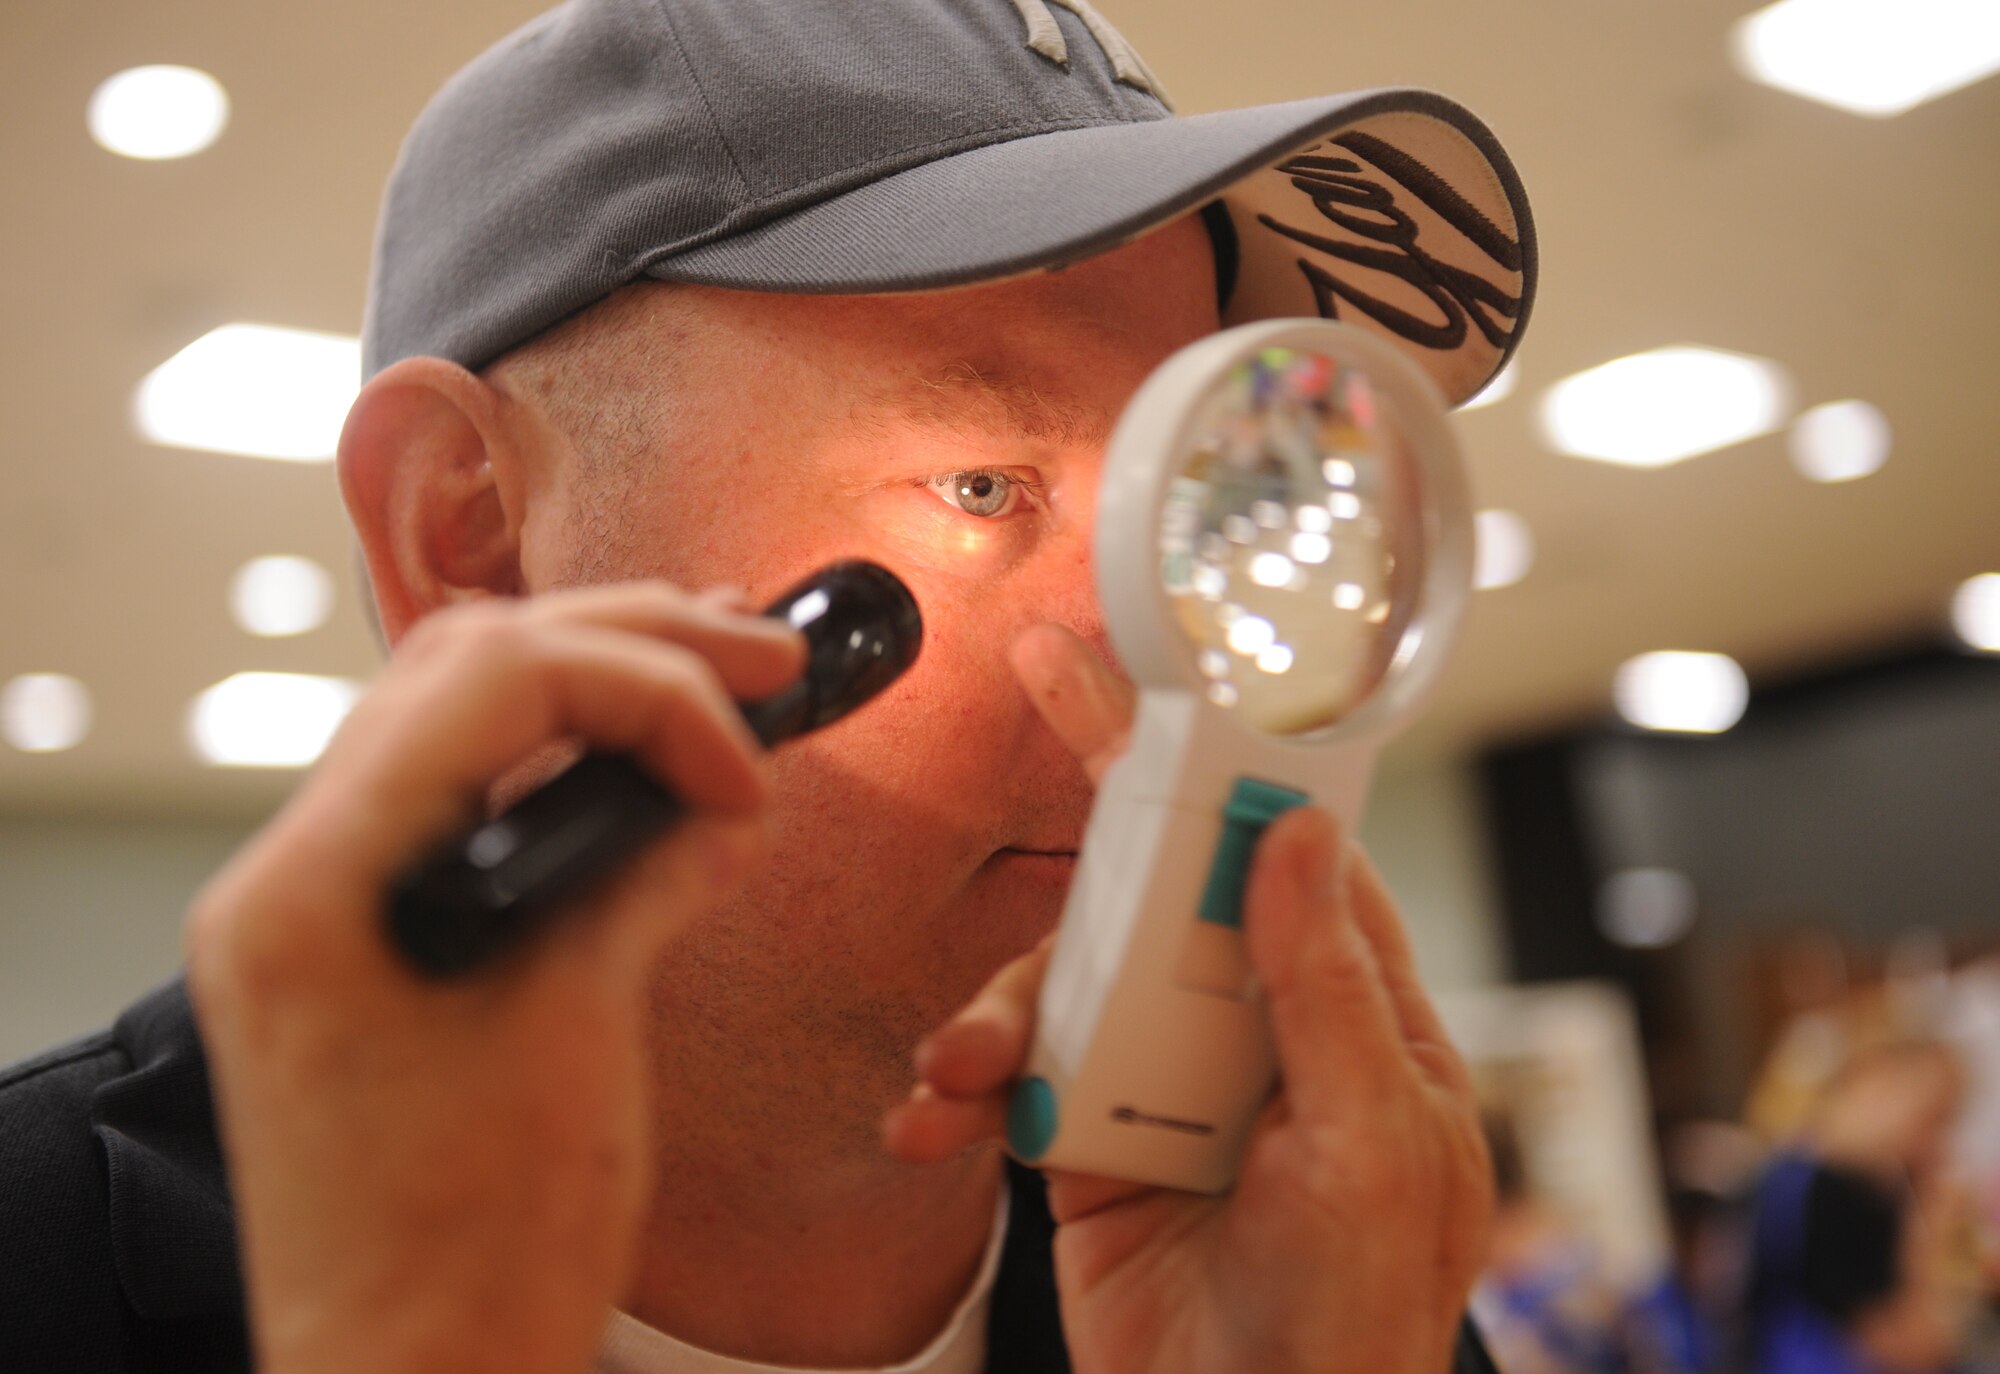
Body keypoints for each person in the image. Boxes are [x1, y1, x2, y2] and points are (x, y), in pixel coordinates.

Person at [0, 0, 1538, 1370]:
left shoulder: (1310, 1283)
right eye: (986, 487)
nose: (1170, 660)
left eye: (1193, 500)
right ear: (463, 529)